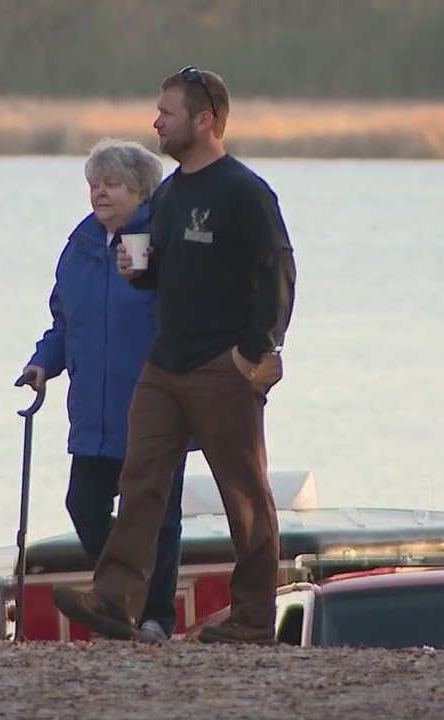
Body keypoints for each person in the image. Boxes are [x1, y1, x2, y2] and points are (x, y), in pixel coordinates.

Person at [51, 66, 297, 645]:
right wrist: (138, 272)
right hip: (163, 366)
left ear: (204, 120)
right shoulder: (169, 195)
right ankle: (115, 600)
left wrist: (256, 349)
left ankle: (252, 618)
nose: (156, 122)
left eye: (167, 112)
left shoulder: (242, 191)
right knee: (140, 484)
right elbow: (162, 270)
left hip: (223, 365)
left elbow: (278, 269)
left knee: (244, 495)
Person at [17, 137, 187, 643]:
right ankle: (122, 597)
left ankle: (156, 618)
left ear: (141, 190)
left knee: (159, 519)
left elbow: (184, 318)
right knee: (83, 505)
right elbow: (65, 323)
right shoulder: (81, 246)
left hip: (154, 408)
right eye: (94, 184)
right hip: (93, 412)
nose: (99, 193)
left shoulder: (160, 241)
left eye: (111, 184)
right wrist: (42, 363)